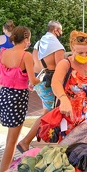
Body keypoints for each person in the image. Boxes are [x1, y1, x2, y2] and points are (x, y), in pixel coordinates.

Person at [0, 26, 40, 172]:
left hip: (4, 96)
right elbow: (33, 79)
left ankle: (8, 167)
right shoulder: (25, 55)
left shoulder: (3, 53)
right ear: (26, 38)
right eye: (29, 38)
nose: (29, 42)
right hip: (17, 99)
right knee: (12, 142)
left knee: (10, 138)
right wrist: (40, 79)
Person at [17, 20, 64, 153]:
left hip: (39, 80)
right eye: (60, 31)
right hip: (49, 83)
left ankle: (49, 138)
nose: (61, 34)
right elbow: (61, 68)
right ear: (56, 30)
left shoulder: (39, 42)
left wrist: (32, 81)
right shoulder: (57, 46)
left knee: (47, 112)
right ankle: (25, 141)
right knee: (48, 113)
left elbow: (33, 62)